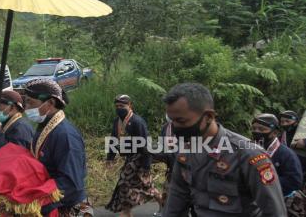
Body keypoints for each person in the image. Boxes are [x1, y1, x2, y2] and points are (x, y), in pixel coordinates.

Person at [162, 83, 287, 217]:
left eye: (181, 121)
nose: (175, 127)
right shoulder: (184, 153)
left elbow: (275, 211)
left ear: (209, 117)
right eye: (172, 121)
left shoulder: (248, 155)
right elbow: (176, 201)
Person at [23, 78, 93, 217]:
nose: (26, 108)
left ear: (50, 103)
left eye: (31, 102)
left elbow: (70, 183)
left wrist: (34, 200)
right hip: (51, 201)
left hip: (67, 206)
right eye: (26, 102)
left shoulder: (65, 136)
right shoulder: (44, 127)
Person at [105, 95, 158, 217]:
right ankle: (161, 200)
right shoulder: (117, 121)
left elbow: (146, 144)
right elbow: (113, 139)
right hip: (129, 157)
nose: (119, 108)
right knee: (146, 185)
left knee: (124, 183)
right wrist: (110, 158)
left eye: (122, 106)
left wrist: (146, 166)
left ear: (130, 105)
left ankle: (126, 212)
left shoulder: (137, 122)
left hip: (140, 157)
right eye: (117, 106)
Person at [251, 113, 303, 196]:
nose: (256, 131)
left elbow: (294, 182)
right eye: (254, 128)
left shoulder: (287, 155)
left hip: (276, 199)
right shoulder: (248, 149)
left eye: (261, 129)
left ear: (275, 133)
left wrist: (264, 180)